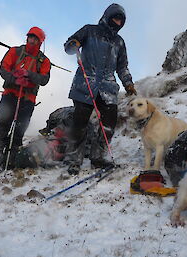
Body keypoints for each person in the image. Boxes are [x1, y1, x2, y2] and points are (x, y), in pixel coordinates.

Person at [64, 3, 137, 175]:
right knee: (80, 122)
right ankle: (74, 160)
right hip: (85, 82)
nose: (118, 22)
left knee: (109, 123)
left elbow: (122, 66)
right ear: (108, 16)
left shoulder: (119, 42)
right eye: (115, 17)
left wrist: (128, 83)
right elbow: (69, 46)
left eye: (121, 20)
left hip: (108, 87)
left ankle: (97, 157)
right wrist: (73, 43)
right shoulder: (89, 30)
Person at [0, 27, 51, 173]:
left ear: (40, 42)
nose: (32, 40)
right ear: (27, 37)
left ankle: (10, 159)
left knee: (19, 129)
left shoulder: (44, 61)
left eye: (36, 39)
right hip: (10, 94)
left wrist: (29, 74)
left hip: (28, 99)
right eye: (30, 37)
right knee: (2, 125)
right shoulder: (15, 52)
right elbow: (3, 68)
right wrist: (15, 78)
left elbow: (44, 79)